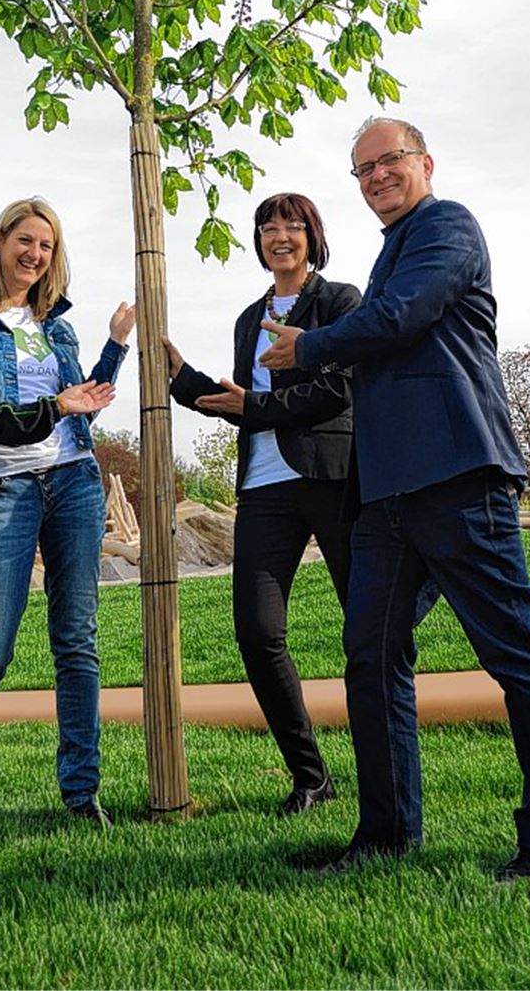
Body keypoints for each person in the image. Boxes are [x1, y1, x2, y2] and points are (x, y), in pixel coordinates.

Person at [260, 118, 530, 881]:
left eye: (388, 161)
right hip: (387, 498)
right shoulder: (390, 254)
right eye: (363, 169)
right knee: (369, 655)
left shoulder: (448, 227)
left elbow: (400, 318)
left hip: (457, 477)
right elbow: (378, 337)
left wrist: (306, 345)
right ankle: (385, 833)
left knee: (519, 656)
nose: (376, 176)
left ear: (425, 163)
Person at [0, 197, 133, 841]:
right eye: (25, 240)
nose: (35, 254)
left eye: (46, 246)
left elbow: (80, 410)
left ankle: (81, 792)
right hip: (1, 489)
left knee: (77, 642)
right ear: (1, 242)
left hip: (73, 484)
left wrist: (114, 349)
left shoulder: (57, 328)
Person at [166, 193, 361, 812]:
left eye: (293, 225)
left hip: (331, 478)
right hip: (263, 489)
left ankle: (384, 771)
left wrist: (254, 405)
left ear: (312, 235)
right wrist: (184, 379)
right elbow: (246, 407)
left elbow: (337, 390)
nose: (280, 236)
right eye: (268, 227)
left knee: (368, 629)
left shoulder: (340, 303)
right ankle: (311, 777)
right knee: (256, 632)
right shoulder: (249, 318)